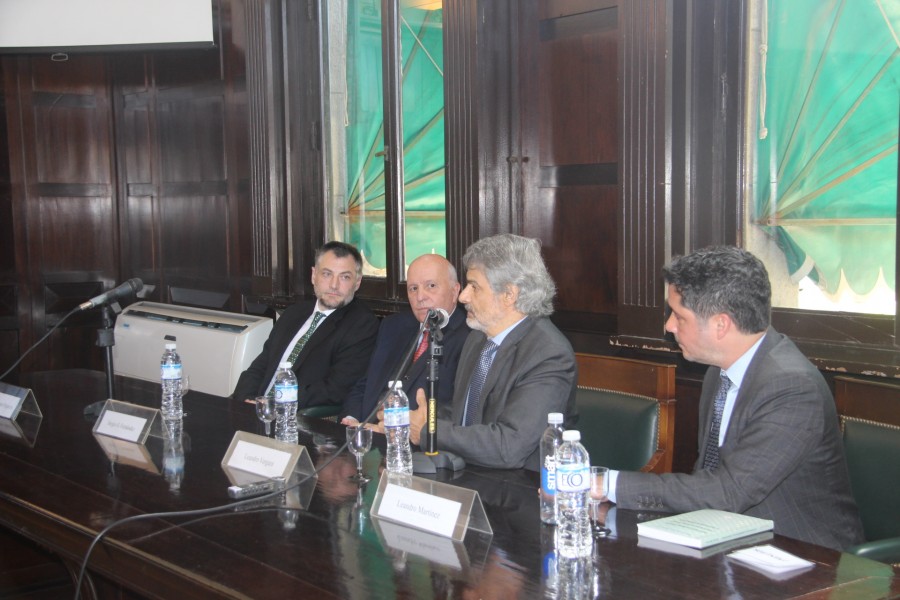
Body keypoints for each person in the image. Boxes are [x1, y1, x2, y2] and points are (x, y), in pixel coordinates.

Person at [608, 246, 864, 551]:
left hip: (806, 559)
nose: (669, 326)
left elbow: (729, 491)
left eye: (679, 316)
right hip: (731, 540)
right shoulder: (720, 370)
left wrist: (607, 484)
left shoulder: (793, 387)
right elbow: (708, 477)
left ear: (721, 324)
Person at [375, 234, 578, 471]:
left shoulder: (548, 353)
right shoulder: (478, 338)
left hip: (521, 489)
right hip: (469, 472)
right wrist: (412, 417)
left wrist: (429, 430)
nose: (463, 297)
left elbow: (509, 446)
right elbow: (464, 413)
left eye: (474, 287)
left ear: (509, 295)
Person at [231, 241, 379, 410]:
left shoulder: (362, 324)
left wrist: (277, 403)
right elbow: (261, 365)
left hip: (295, 416)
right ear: (314, 275)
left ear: (357, 282)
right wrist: (247, 399)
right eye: (327, 274)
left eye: (345, 277)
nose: (334, 285)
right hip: (257, 408)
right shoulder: (294, 313)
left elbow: (336, 389)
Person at [341, 254, 470, 424]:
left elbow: (461, 410)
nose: (420, 297)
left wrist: (397, 423)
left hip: (415, 441)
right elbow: (366, 384)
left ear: (455, 291)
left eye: (431, 286)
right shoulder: (393, 326)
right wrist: (351, 419)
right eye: (413, 288)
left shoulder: (469, 337)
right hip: (365, 433)